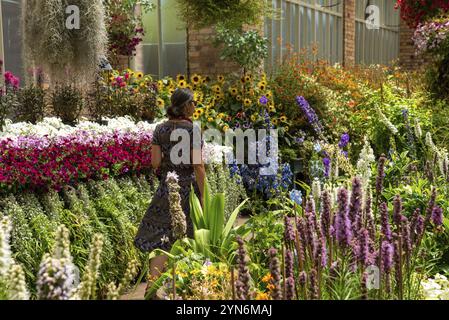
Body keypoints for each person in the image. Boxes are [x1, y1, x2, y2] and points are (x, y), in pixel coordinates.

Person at [134, 88, 206, 297]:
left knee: (161, 236)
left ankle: (152, 288)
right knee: (191, 237)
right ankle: (188, 289)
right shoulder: (193, 130)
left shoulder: (159, 129)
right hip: (188, 191)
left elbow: (155, 163)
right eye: (193, 102)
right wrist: (204, 195)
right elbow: (198, 166)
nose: (195, 106)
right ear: (185, 106)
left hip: (167, 189)